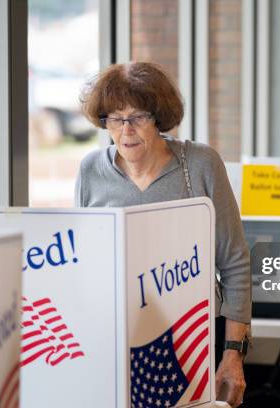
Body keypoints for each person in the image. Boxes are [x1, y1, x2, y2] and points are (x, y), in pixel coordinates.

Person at [75, 62, 251, 407]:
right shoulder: (91, 170)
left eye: (137, 117)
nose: (126, 130)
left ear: (159, 117)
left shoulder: (200, 164)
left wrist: (233, 354)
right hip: (118, 336)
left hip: (194, 334)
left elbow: (234, 263)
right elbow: (84, 268)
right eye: (114, 118)